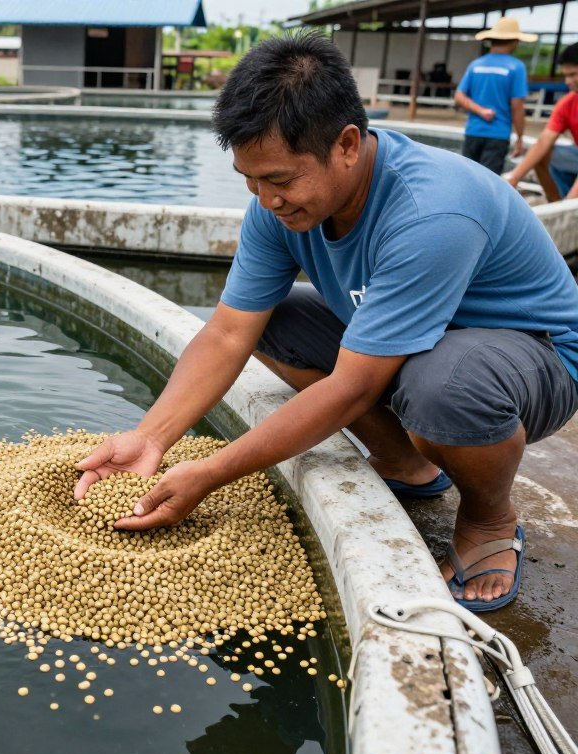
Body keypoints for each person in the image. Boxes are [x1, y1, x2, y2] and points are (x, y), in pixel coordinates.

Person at [74, 33, 578, 612]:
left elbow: (353, 386)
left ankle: (490, 521)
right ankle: (407, 463)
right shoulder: (277, 205)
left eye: (281, 180)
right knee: (274, 323)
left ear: (346, 144)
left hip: (537, 357)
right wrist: (151, 437)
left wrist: (209, 472)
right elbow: (227, 332)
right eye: (250, 180)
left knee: (444, 386)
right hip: (425, 346)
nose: (267, 200)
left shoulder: (431, 210)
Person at [454, 17, 534, 174]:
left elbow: (459, 97)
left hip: (473, 132)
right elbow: (517, 107)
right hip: (498, 134)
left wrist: (480, 111)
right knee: (489, 181)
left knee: (468, 176)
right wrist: (519, 137)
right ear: (514, 41)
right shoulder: (516, 67)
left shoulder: (476, 65)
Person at [505, 43, 578, 201]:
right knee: (541, 154)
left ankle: (567, 210)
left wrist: (570, 205)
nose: (567, 81)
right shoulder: (568, 103)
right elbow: (543, 142)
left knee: (570, 205)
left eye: (573, 75)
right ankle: (554, 203)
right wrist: (513, 178)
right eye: (565, 75)